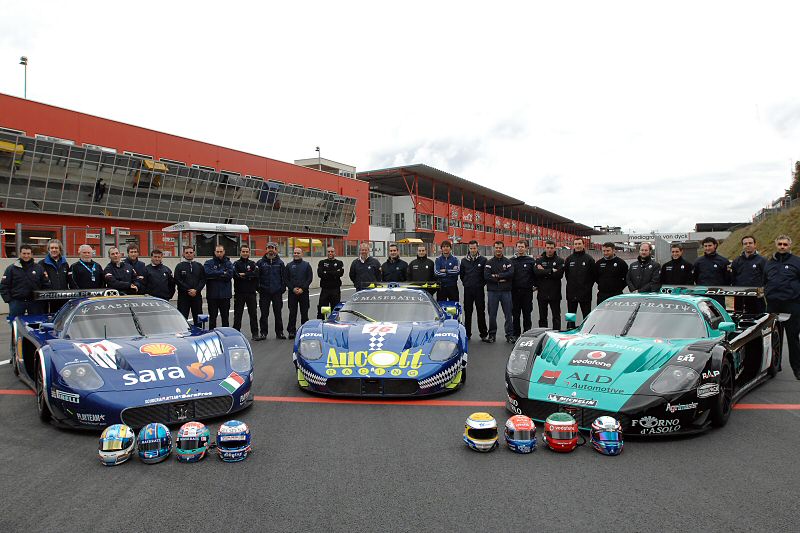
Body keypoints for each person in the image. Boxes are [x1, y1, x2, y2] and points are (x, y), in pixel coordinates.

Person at [763, 235, 800, 379]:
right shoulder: (769, 263)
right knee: (772, 337)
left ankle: (797, 368)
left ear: (789, 245)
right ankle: (774, 366)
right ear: (776, 245)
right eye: (780, 244)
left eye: (785, 244)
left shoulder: (797, 262)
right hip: (773, 305)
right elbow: (765, 281)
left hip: (792, 304)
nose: (782, 246)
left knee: (793, 338)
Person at [1, 244, 49, 321]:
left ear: (32, 254)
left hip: (35, 303)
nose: (26, 256)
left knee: (35, 324)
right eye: (24, 253)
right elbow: (4, 285)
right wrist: (9, 300)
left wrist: (42, 300)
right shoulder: (11, 268)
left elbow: (46, 284)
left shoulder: (39, 268)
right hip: (17, 302)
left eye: (28, 253)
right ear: (20, 254)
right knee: (15, 325)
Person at [484, 240, 514, 343]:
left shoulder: (508, 262)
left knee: (508, 314)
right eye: (496, 247)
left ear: (503, 248)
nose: (498, 249)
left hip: (506, 291)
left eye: (500, 247)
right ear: (494, 248)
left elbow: (510, 274)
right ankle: (492, 335)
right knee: (492, 314)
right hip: (493, 292)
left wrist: (496, 276)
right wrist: (501, 277)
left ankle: (509, 335)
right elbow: (487, 276)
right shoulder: (489, 262)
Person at [256, 242, 286, 339]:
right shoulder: (260, 263)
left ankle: (280, 332)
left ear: (276, 250)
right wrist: (259, 288)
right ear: (266, 250)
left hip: (277, 292)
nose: (270, 250)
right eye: (269, 248)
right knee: (264, 314)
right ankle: (263, 333)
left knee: (278, 314)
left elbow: (283, 278)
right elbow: (257, 277)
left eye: (272, 248)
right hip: (264, 292)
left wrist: (282, 288)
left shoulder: (280, 263)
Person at [564, 237, 595, 329]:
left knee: (586, 315)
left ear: (583, 245)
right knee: (570, 315)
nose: (577, 246)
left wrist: (587, 288)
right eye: (576, 244)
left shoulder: (589, 259)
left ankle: (586, 330)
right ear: (573, 245)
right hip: (571, 293)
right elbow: (567, 275)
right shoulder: (569, 259)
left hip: (585, 293)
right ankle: (569, 329)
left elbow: (593, 276)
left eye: (579, 244)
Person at [731, 235, 767, 314]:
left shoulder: (762, 260)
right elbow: (733, 278)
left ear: (755, 245)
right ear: (742, 246)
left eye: (750, 243)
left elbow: (766, 278)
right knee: (739, 318)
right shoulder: (736, 261)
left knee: (759, 319)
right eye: (745, 243)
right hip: (740, 296)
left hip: (757, 296)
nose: (748, 245)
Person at [459, 240, 487, 340]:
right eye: (471, 248)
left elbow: (485, 276)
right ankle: (467, 334)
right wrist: (466, 283)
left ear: (477, 248)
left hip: (479, 290)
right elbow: (462, 275)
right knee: (468, 312)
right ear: (469, 248)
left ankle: (483, 334)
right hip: (468, 290)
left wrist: (480, 284)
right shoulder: (464, 261)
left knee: (481, 312)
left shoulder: (483, 260)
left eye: (474, 248)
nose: (472, 250)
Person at [535, 240, 565, 330]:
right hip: (542, 293)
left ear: (554, 248)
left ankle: (556, 334)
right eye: (548, 248)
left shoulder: (560, 260)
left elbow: (559, 275)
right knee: (542, 317)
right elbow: (536, 273)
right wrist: (551, 270)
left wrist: (543, 271)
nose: (549, 250)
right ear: (545, 248)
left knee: (556, 317)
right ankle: (543, 334)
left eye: (551, 248)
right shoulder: (539, 260)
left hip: (555, 293)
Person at [233, 245, 261, 339]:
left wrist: (244, 274)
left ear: (249, 252)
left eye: (247, 252)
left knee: (253, 314)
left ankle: (255, 333)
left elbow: (256, 274)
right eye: (243, 251)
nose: (245, 253)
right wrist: (249, 276)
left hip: (251, 293)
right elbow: (235, 275)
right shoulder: (236, 264)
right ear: (240, 252)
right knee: (238, 314)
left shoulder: (253, 263)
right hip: (239, 293)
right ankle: (236, 333)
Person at [204, 245, 235, 329]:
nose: (219, 253)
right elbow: (207, 273)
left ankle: (225, 336)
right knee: (212, 318)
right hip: (212, 296)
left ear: (224, 252)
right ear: (214, 252)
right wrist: (222, 272)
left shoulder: (228, 263)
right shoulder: (208, 263)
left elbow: (229, 275)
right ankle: (211, 335)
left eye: (221, 251)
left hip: (225, 296)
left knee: (225, 318)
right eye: (217, 252)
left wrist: (215, 274)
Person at [693, 236, 731, 306]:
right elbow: (695, 277)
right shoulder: (698, 261)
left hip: (718, 295)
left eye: (710, 245)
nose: (707, 248)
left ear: (715, 245)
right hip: (702, 294)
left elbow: (728, 279)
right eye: (705, 246)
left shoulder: (723, 261)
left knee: (719, 314)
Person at [39, 238, 73, 313]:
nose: (54, 250)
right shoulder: (41, 264)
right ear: (48, 250)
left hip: (63, 297)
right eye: (52, 248)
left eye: (56, 248)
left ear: (60, 249)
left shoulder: (65, 263)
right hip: (48, 298)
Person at [285, 247, 313, 339]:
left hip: (303, 293)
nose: (296, 254)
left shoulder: (307, 265)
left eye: (298, 253)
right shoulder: (289, 265)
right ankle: (291, 331)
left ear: (302, 254)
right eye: (295, 253)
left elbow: (309, 278)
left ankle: (304, 330)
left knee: (304, 312)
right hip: (292, 293)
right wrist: (292, 288)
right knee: (292, 313)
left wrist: (303, 288)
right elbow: (286, 279)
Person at [511, 240, 535, 340]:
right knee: (515, 314)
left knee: (527, 313)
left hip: (527, 292)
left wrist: (535, 285)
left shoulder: (531, 261)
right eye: (519, 246)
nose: (520, 248)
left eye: (522, 246)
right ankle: (516, 334)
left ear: (526, 248)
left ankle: (527, 334)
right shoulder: (511, 261)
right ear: (516, 247)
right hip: (514, 292)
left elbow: (535, 275)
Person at [174, 246, 205, 325]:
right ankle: (183, 336)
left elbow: (203, 280)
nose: (189, 254)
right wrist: (188, 290)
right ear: (183, 254)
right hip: (183, 297)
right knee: (182, 319)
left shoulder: (199, 266)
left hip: (197, 296)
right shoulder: (179, 266)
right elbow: (178, 280)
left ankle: (199, 334)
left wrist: (196, 290)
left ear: (194, 253)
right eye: (187, 252)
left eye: (191, 252)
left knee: (198, 319)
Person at [317, 246, 344, 319]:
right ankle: (321, 324)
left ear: (335, 253)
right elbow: (320, 274)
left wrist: (326, 272)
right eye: (329, 252)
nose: (330, 253)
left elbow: (340, 274)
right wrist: (334, 273)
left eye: (332, 251)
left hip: (335, 290)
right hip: (325, 289)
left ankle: (334, 325)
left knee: (335, 309)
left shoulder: (339, 263)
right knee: (323, 309)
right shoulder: (322, 262)